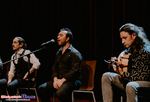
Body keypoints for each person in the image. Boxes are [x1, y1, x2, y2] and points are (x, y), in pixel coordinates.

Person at [101, 23, 150, 102]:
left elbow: (141, 77)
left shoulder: (146, 51)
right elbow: (125, 55)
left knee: (131, 85)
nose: (122, 42)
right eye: (121, 38)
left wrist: (121, 73)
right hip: (129, 81)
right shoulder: (129, 50)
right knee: (106, 76)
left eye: (125, 38)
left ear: (133, 36)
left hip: (145, 83)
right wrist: (117, 61)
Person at [38, 28, 82, 102]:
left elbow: (74, 70)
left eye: (61, 35)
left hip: (72, 80)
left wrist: (62, 80)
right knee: (41, 89)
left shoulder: (75, 53)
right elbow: (55, 67)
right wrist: (55, 79)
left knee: (60, 93)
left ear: (67, 38)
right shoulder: (59, 52)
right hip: (58, 79)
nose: (58, 37)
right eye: (58, 35)